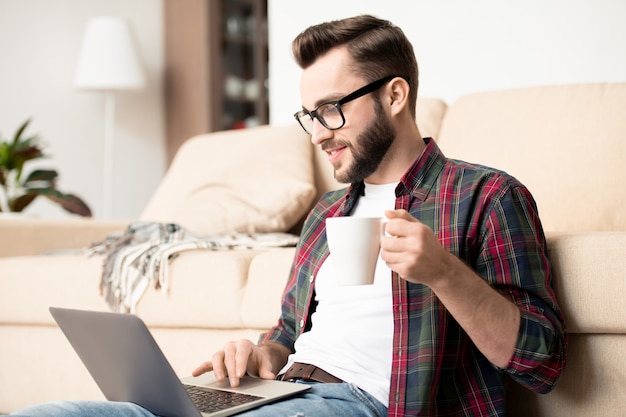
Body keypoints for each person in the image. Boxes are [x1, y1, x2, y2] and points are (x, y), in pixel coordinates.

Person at [12, 14, 566, 417]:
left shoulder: (486, 196)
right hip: (284, 391)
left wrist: (443, 272)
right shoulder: (328, 212)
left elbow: (540, 362)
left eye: (331, 109)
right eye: (311, 115)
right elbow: (286, 333)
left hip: (363, 404)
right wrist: (260, 352)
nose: (320, 132)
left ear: (395, 95)